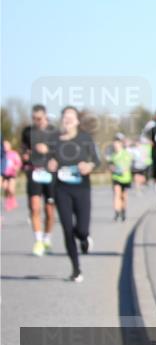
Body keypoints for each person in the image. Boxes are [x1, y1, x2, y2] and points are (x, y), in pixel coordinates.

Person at [47, 106, 100, 282]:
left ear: (77, 120)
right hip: (62, 189)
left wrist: (89, 166)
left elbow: (96, 160)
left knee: (82, 229)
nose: (68, 119)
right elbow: (47, 161)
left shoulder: (85, 138)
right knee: (67, 229)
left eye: (71, 117)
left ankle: (84, 239)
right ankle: (76, 269)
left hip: (82, 188)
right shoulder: (54, 140)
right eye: (65, 117)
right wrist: (50, 163)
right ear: (62, 120)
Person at [20, 104, 57, 255]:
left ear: (45, 116)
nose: (37, 121)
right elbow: (23, 148)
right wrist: (25, 156)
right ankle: (38, 241)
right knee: (34, 208)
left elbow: (62, 151)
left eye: (40, 118)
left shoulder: (54, 132)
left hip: (50, 175)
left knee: (49, 210)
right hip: (34, 172)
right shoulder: (27, 132)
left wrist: (48, 150)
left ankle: (47, 238)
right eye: (34, 119)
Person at [109, 136, 133, 221]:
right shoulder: (112, 155)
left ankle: (123, 211)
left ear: (121, 144)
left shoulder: (126, 153)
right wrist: (112, 168)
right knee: (116, 193)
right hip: (116, 177)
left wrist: (123, 169)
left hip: (125, 178)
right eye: (114, 144)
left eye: (117, 144)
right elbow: (110, 165)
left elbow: (129, 164)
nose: (116, 146)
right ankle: (116, 212)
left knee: (123, 196)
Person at [2, 140, 21, 211]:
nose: (5, 147)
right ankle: (8, 203)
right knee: (5, 188)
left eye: (7, 145)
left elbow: (19, 162)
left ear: (10, 146)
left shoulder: (14, 154)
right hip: (4, 174)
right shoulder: (2, 154)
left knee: (11, 189)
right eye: (4, 146)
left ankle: (13, 200)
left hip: (12, 174)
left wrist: (17, 167)